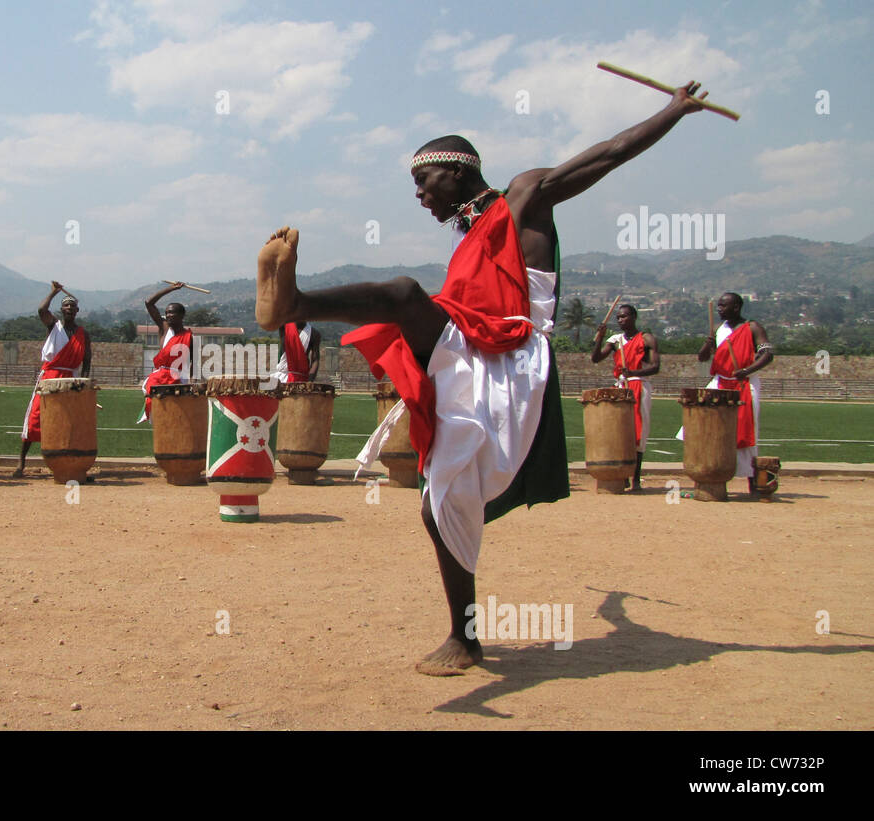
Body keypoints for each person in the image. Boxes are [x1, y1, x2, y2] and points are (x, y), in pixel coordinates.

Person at [254, 81, 712, 675]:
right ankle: (465, 637)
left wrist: (674, 110)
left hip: (515, 357)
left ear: (457, 169)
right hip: (466, 345)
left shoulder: (524, 198)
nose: (418, 194)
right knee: (434, 502)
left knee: (403, 295)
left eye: (424, 180)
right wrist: (617, 608)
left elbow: (611, 151)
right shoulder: (468, 235)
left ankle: (296, 303)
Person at [687, 292, 773, 491]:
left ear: (736, 307)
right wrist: (707, 345)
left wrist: (747, 370)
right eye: (718, 306)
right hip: (719, 382)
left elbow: (767, 354)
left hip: (744, 383)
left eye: (723, 306)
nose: (719, 309)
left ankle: (754, 483)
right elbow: (702, 358)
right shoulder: (718, 330)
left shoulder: (752, 327)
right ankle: (707, 477)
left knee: (746, 432)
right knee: (702, 424)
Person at [15, 282, 91, 477]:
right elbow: (41, 309)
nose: (69, 309)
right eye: (66, 305)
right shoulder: (53, 326)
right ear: (61, 309)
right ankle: (21, 463)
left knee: (70, 421)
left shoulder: (83, 333)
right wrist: (54, 292)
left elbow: (87, 358)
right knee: (35, 417)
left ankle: (71, 464)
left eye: (72, 306)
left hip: (71, 379)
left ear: (77, 310)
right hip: (50, 376)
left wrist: (84, 381)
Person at [590, 304, 659, 490]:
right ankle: (623, 475)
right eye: (618, 317)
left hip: (638, 384)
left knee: (638, 431)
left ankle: (636, 478)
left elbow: (655, 366)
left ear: (634, 317)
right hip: (620, 386)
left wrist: (633, 371)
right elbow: (595, 359)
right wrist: (600, 338)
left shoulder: (646, 338)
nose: (620, 320)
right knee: (618, 432)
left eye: (624, 317)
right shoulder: (615, 340)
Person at [139, 282, 194, 423]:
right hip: (161, 378)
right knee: (160, 414)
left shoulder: (188, 336)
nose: (168, 315)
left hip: (179, 379)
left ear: (181, 315)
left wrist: (191, 382)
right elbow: (149, 303)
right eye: (166, 313)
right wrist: (172, 288)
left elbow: (192, 362)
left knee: (176, 415)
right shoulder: (164, 328)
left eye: (172, 312)